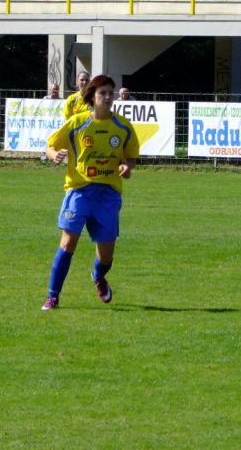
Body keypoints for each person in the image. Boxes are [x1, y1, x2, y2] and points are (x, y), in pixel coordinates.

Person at [41, 75, 140, 310]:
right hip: (79, 191)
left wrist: (127, 166)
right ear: (92, 97)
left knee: (106, 256)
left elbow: (132, 157)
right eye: (102, 93)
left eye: (110, 93)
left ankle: (98, 275)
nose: (107, 97)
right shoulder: (77, 123)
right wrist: (54, 155)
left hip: (108, 195)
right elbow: (50, 145)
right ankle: (53, 296)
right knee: (67, 243)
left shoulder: (123, 126)